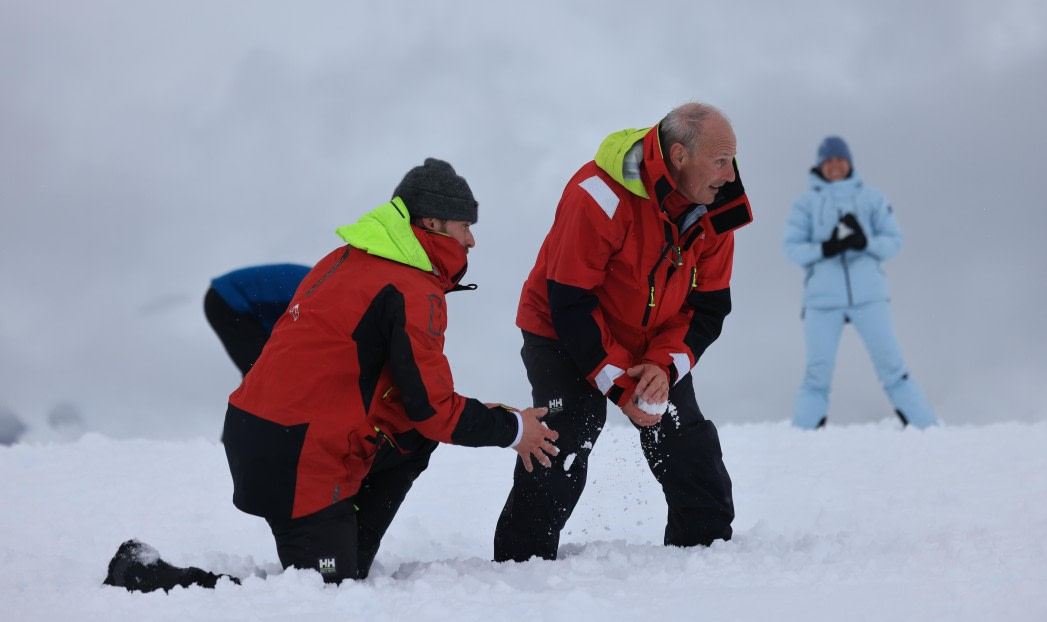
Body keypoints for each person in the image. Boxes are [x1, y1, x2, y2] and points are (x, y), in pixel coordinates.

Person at [105, 158, 558, 591]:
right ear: (434, 224)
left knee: (409, 442)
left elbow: (411, 401)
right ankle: (145, 575)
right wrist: (514, 428)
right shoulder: (411, 289)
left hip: (266, 436)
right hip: (297, 458)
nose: (472, 241)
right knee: (324, 592)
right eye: (466, 227)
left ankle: (343, 543)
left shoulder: (348, 259)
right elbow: (433, 408)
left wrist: (496, 415)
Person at [493, 102, 753, 563]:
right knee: (568, 430)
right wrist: (620, 386)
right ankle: (521, 565)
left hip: (650, 343)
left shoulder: (719, 205)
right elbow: (570, 302)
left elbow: (708, 306)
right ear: (678, 156)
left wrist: (663, 366)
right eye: (719, 160)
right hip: (561, 327)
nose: (730, 174)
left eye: (732, 159)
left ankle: (706, 555)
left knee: (681, 431)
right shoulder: (598, 195)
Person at [782, 136, 937, 429]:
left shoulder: (872, 198)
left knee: (892, 367)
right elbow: (791, 248)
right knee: (817, 374)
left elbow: (894, 242)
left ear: (849, 162)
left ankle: (926, 427)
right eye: (828, 161)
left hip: (869, 297)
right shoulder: (806, 203)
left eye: (840, 159)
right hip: (822, 301)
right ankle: (802, 435)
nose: (835, 165)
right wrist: (826, 248)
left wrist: (865, 242)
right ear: (819, 166)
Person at [204, 263, 311, 376]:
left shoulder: (321, 282)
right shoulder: (317, 295)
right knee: (262, 371)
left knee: (269, 370)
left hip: (229, 296)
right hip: (225, 299)